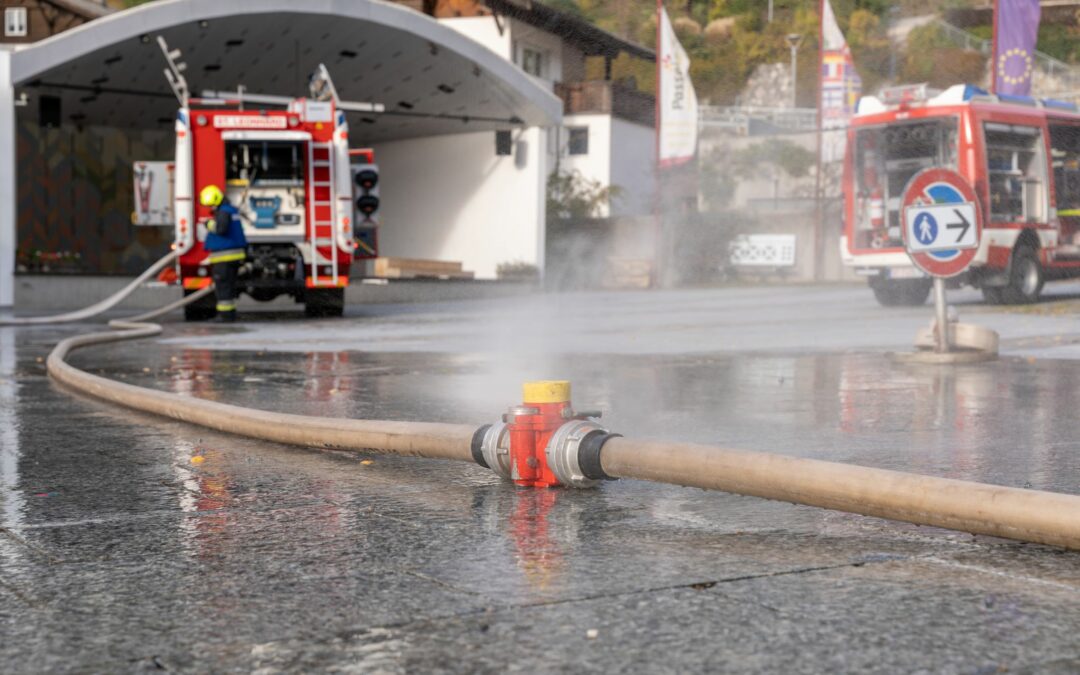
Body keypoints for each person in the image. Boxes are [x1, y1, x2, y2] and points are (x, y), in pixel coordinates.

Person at [199, 185, 247, 323]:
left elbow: (221, 229)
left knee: (223, 287)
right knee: (229, 286)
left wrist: (208, 224)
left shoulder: (223, 212)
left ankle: (225, 316)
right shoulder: (230, 210)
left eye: (211, 205)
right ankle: (230, 314)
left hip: (225, 257)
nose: (211, 208)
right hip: (234, 256)